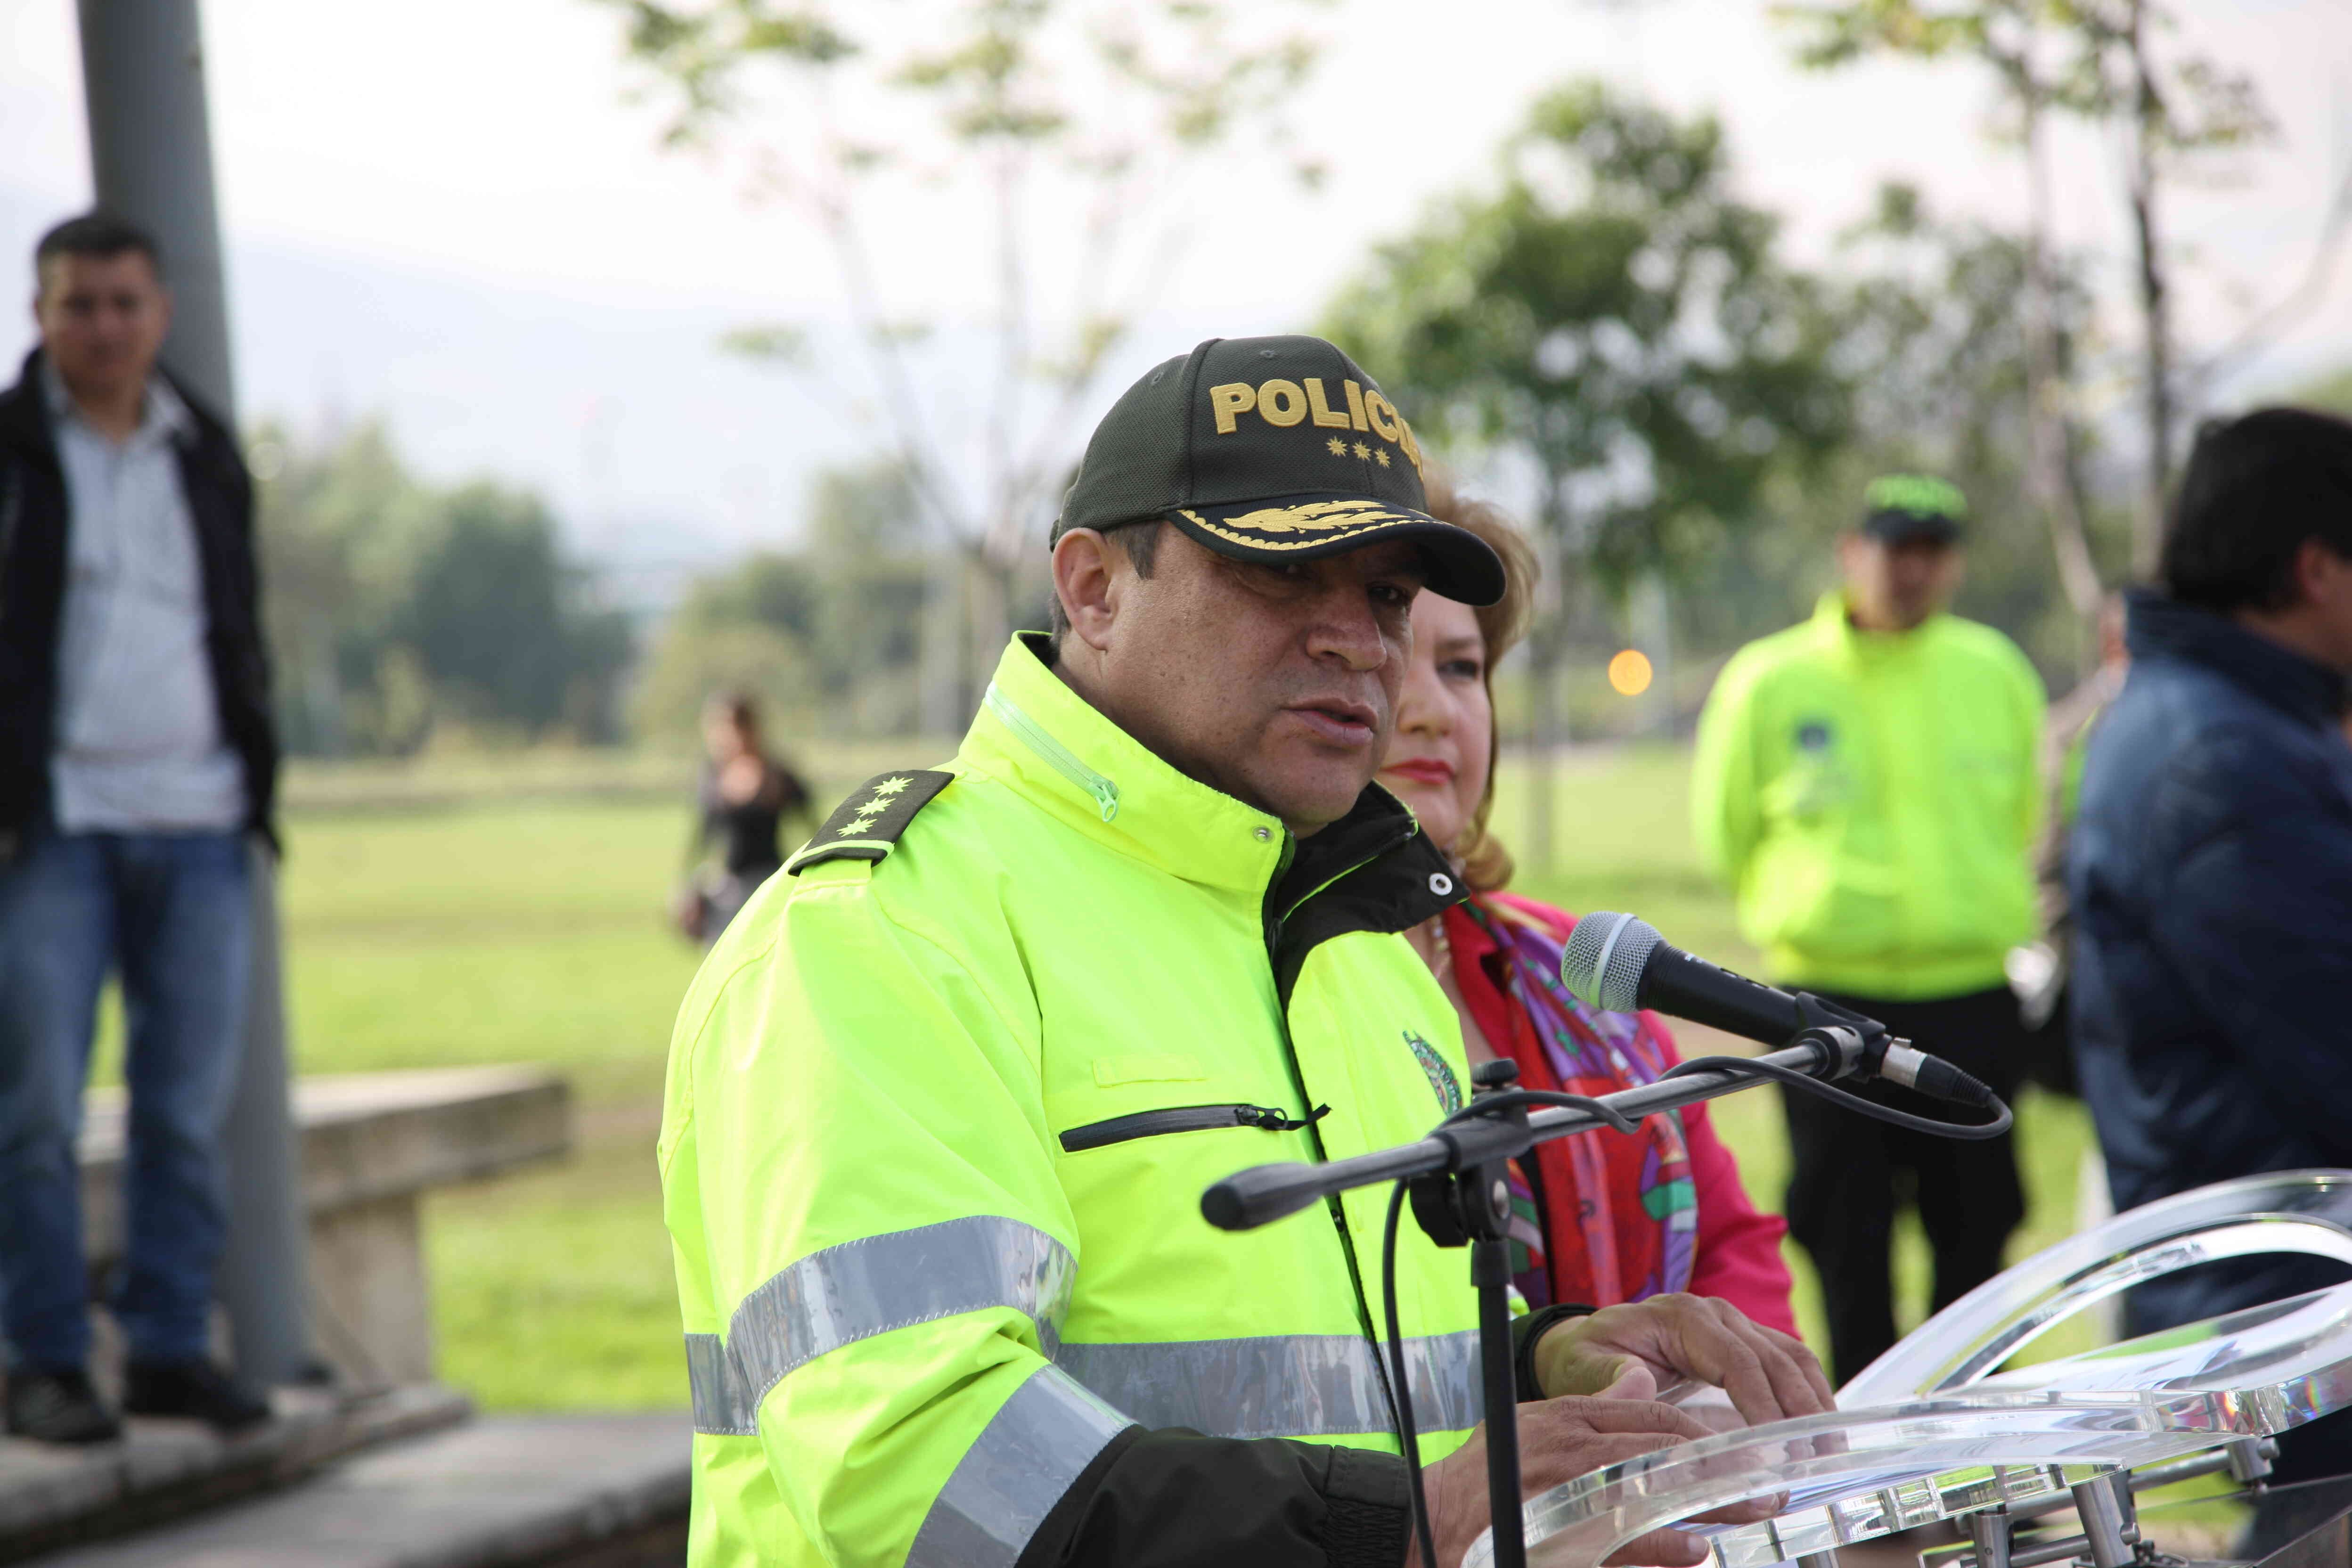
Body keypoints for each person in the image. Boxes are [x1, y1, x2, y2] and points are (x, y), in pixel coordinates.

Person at [662, 335, 1830, 1568]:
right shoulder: (880, 929)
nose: (1361, 643)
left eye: (1384, 593)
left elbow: (1353, 1370)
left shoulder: (1360, 947)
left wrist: (1549, 1358)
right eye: (1288, 573)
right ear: (1093, 586)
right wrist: (1414, 1529)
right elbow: (917, 1462)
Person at [1375, 486, 1799, 1339]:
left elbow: (1726, 1240)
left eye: (1462, 667)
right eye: (1387, 662)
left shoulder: (1571, 961)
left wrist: (1729, 1395)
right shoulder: (1268, 974)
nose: (1432, 710)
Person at [0, 213, 277, 1442]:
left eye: (123, 302)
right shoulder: (10, 455)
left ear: (160, 313)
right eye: (77, 305)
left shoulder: (203, 452)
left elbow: (238, 628)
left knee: (180, 1110)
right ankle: (45, 1358)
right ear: (40, 317)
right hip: (51, 828)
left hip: (205, 824)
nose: (102, 327)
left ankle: (169, 1349)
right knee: (35, 1111)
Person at [1690, 474, 2045, 1387]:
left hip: (1970, 992)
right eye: (1896, 547)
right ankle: (1869, 1458)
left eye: (1933, 550)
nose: (1914, 569)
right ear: (1852, 550)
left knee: (1977, 1225)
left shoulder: (1993, 668)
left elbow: (2023, 811)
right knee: (1845, 1233)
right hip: (1829, 1002)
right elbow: (1729, 829)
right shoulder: (1772, 678)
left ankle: (1980, 1449)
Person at [2069, 408, 2352, 1552]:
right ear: (2316, 569)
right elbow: (2333, 1046)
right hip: (2282, 1304)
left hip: (2278, 1280)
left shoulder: (2236, 723)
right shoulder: (2222, 757)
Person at [672, 691, 810, 946]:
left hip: (771, 885)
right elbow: (703, 835)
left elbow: (812, 830)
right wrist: (686, 887)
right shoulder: (713, 774)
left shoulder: (778, 775)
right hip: (726, 890)